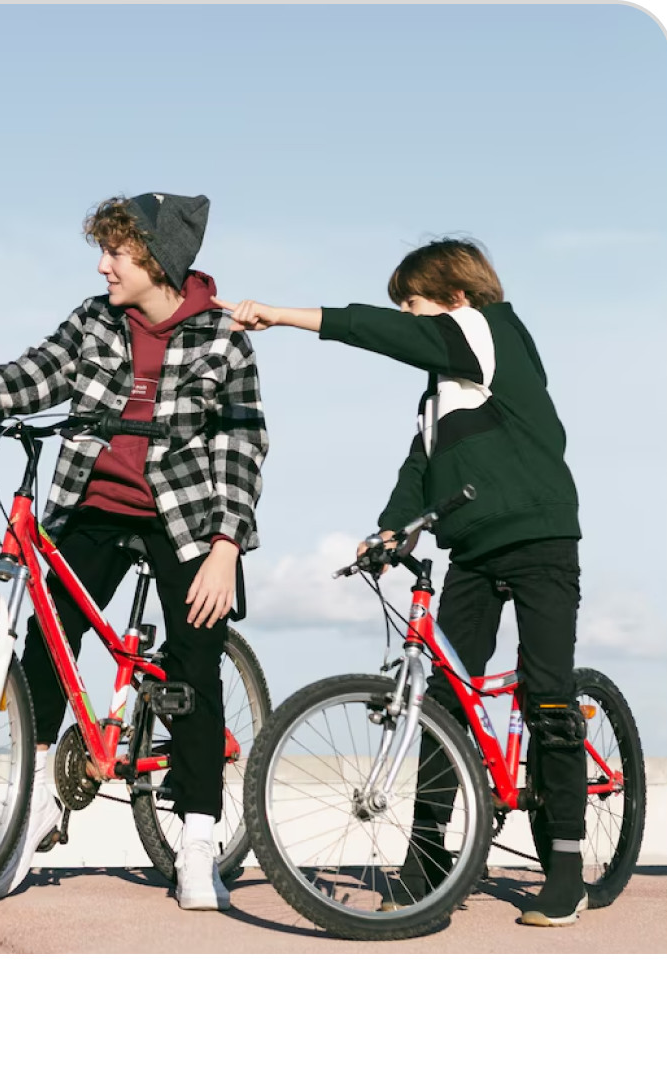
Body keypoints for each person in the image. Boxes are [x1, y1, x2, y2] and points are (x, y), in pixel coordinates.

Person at [0, 192, 268, 910]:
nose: (104, 266)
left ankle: (198, 840)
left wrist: (227, 544)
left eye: (117, 252)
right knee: (46, 641)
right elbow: (33, 373)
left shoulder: (223, 338)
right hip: (93, 508)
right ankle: (35, 804)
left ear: (156, 259)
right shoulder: (95, 320)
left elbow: (243, 443)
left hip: (187, 520)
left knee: (194, 662)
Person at [214, 238, 588, 927]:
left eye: (414, 306)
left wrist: (286, 316)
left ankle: (566, 865)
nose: (408, 320)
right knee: (441, 703)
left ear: (456, 297)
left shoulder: (491, 330)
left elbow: (382, 333)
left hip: (539, 538)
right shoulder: (439, 395)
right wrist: (392, 531)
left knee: (549, 695)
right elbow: (419, 469)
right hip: (471, 552)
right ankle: (429, 861)